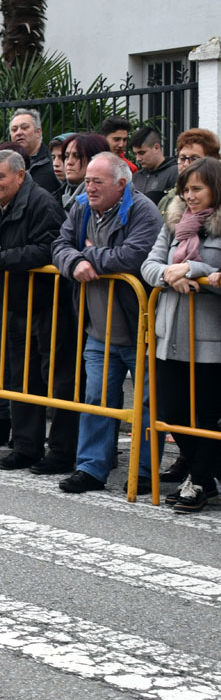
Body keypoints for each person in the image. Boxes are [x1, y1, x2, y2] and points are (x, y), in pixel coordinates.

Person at [51, 153, 162, 493]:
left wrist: (88, 255)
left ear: (121, 184)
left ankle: (143, 472)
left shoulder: (144, 211)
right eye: (87, 180)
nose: (89, 187)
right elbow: (58, 245)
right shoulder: (82, 207)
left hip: (140, 328)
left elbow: (134, 255)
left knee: (145, 404)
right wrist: (74, 261)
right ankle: (91, 469)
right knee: (95, 399)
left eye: (97, 181)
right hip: (98, 327)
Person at [0, 149, 80, 474]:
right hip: (16, 304)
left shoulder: (42, 203)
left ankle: (62, 452)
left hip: (51, 305)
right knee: (19, 376)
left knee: (59, 379)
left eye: (0, 177)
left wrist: (1, 260)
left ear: (20, 176)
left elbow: (49, 247)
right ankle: (25, 447)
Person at [141, 158, 221, 513]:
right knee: (171, 411)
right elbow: (148, 265)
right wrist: (171, 274)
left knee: (207, 414)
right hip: (170, 334)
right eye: (185, 189)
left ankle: (201, 481)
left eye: (197, 189)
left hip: (209, 338)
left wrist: (196, 269)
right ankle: (207, 475)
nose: (189, 196)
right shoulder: (174, 223)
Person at [9, 108, 60, 196]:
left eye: (24, 128)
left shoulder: (53, 163)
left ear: (38, 132)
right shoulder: (7, 164)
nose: (18, 132)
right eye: (14, 129)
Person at [60, 133, 110, 210]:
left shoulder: (102, 200)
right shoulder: (57, 195)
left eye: (77, 156)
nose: (69, 162)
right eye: (67, 156)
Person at [130, 126, 179, 206]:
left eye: (142, 153)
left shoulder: (175, 173)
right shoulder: (136, 177)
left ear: (156, 148)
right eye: (136, 154)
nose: (138, 158)